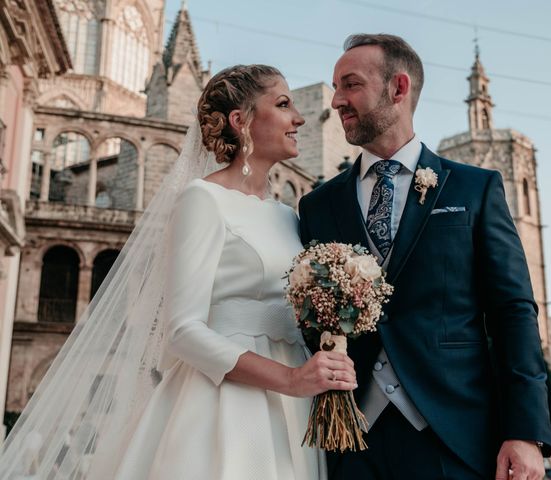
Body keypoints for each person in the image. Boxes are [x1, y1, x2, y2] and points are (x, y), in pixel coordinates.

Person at [0, 65, 356, 479]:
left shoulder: (288, 216)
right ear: (241, 121)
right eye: (282, 104)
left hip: (295, 401)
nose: (299, 118)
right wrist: (289, 378)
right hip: (230, 398)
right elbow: (183, 329)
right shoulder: (203, 199)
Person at [298, 33, 551, 478]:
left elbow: (513, 312)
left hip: (454, 436)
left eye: (350, 84)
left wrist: (526, 431)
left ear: (398, 88)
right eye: (335, 87)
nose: (337, 99)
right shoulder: (318, 205)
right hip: (351, 439)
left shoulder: (474, 188)